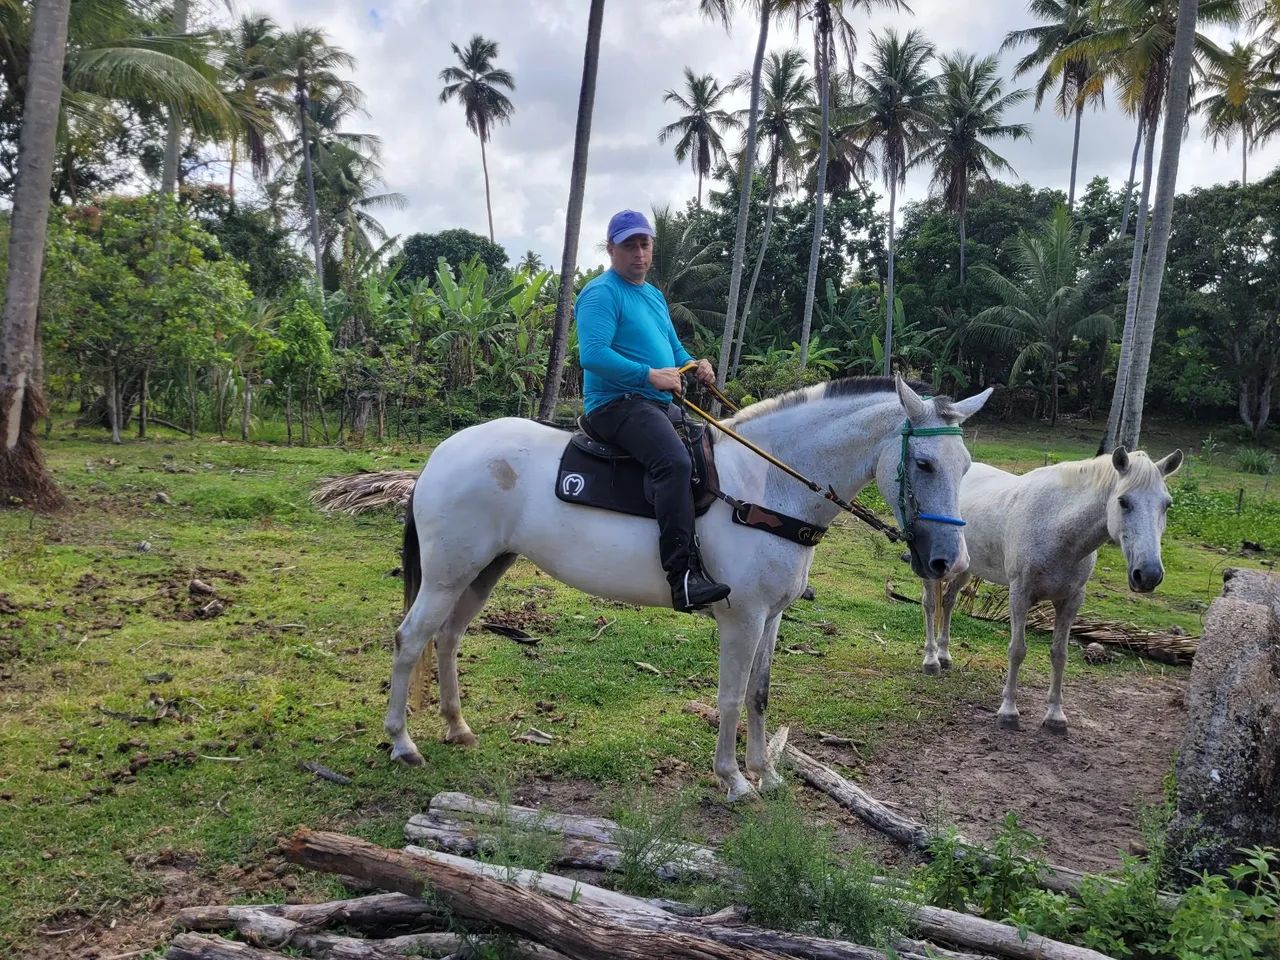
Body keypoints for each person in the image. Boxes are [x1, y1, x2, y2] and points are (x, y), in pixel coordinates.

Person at [576, 209, 732, 612]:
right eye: (629, 245)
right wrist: (649, 376)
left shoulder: (653, 295)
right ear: (611, 249)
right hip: (615, 404)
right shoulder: (601, 293)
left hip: (655, 402)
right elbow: (592, 356)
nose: (639, 253)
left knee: (714, 450)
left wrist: (695, 364)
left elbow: (672, 351)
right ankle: (682, 577)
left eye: (644, 244)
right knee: (674, 464)